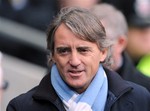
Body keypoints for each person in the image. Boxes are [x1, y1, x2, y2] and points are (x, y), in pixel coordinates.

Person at [7, 7, 150, 111]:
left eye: (83, 50)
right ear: (53, 55)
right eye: (64, 51)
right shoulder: (21, 107)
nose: (74, 61)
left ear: (103, 52)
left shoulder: (140, 100)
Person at [91, 3, 150, 92]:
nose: (90, 49)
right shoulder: (72, 80)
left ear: (120, 43)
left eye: (101, 41)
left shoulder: (145, 89)